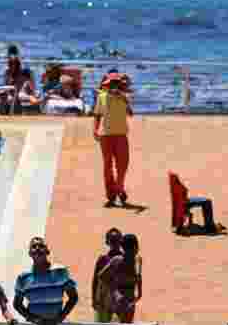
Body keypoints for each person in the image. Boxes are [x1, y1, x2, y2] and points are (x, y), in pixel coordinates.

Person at [13, 237, 78, 325]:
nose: (37, 248)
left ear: (47, 251)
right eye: (34, 246)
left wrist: (61, 317)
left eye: (41, 246)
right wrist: (33, 319)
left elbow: (73, 297)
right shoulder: (23, 277)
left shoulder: (60, 271)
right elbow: (17, 304)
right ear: (30, 253)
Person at [93, 72, 134, 207]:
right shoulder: (101, 96)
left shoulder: (125, 97)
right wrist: (95, 129)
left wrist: (123, 98)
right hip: (106, 135)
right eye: (112, 84)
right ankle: (111, 194)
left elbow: (130, 113)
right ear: (108, 85)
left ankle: (119, 187)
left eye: (117, 84)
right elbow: (98, 114)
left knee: (123, 164)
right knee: (107, 166)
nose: (114, 86)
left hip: (121, 134)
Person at [96, 233, 142, 324]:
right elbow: (101, 276)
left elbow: (139, 276)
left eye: (135, 249)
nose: (134, 251)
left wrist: (139, 293)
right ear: (124, 249)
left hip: (131, 298)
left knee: (127, 322)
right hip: (118, 299)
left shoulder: (138, 260)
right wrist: (115, 292)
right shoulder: (117, 260)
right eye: (130, 250)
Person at [92, 229, 124, 323]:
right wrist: (94, 299)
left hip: (119, 299)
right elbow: (95, 280)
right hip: (103, 299)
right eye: (112, 240)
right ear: (107, 242)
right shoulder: (102, 259)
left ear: (121, 241)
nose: (115, 243)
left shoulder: (125, 258)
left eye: (117, 240)